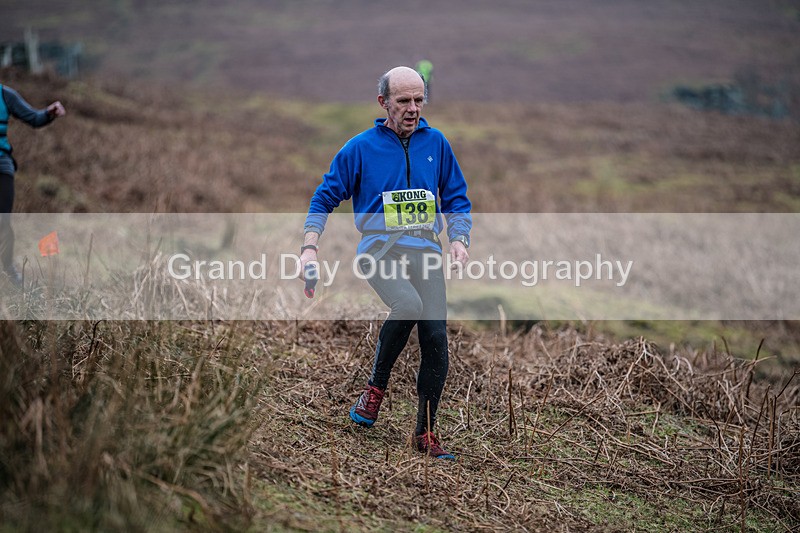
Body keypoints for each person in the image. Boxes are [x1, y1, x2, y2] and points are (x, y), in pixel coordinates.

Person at [301, 66, 471, 460]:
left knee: (435, 338)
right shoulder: (360, 148)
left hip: (425, 252)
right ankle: (374, 389)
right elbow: (323, 198)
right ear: (383, 102)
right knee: (408, 305)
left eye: (419, 100)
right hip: (379, 251)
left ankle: (425, 434)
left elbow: (456, 198)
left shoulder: (437, 143)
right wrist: (309, 247)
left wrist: (459, 239)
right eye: (403, 101)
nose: (413, 108)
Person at [0, 83, 66, 285]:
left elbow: (34, 118)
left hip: (2, 165)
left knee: (3, 221)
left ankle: (8, 269)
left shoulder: (6, 95)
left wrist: (49, 113)